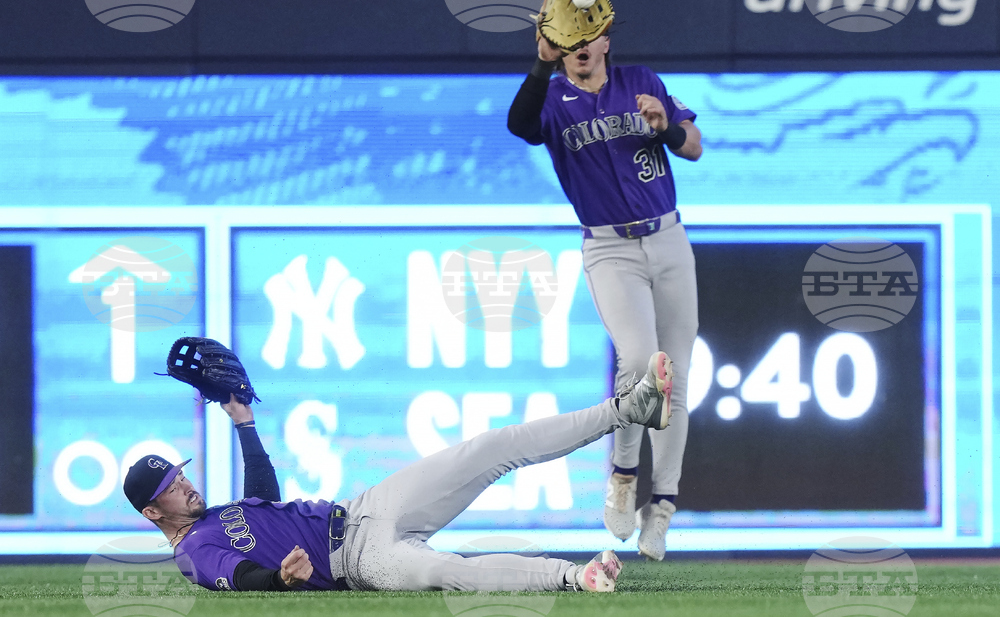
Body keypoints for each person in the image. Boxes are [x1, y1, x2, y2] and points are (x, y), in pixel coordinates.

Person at [123, 351, 673, 593]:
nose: (185, 484)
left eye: (180, 473)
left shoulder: (218, 512)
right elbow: (237, 579)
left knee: (492, 446)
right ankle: (576, 579)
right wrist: (278, 581)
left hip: (366, 509)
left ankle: (628, 408)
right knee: (446, 572)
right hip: (359, 562)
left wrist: (243, 422)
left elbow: (263, 498)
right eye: (171, 486)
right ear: (153, 512)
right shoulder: (194, 552)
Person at [507, 31, 703, 561]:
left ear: (606, 40)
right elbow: (519, 126)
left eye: (587, 36)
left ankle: (660, 507)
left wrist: (664, 129)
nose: (579, 46)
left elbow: (695, 145)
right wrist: (541, 64)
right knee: (641, 362)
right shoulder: (551, 97)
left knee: (676, 375)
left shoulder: (639, 81)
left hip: (667, 236)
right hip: (610, 248)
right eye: (568, 39)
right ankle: (622, 472)